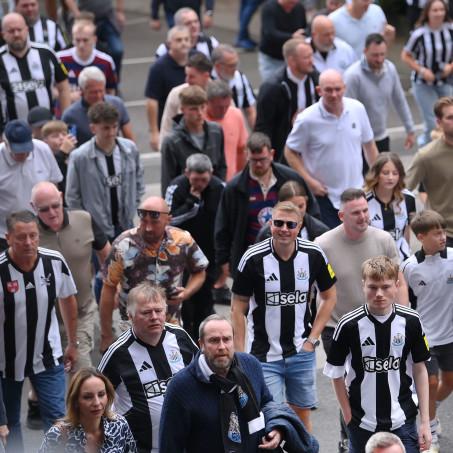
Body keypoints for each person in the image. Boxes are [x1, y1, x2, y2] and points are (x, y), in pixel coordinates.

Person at [231, 201, 337, 431]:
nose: (284, 229)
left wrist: (313, 339)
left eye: (290, 224)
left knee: (302, 415)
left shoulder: (313, 254)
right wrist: (240, 355)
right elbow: (237, 307)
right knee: (272, 418)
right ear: (270, 224)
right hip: (263, 355)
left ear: (299, 227)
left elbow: (329, 296)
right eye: (278, 223)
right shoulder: (253, 258)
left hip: (301, 352)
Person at [159, 314, 320, 453]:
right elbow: (170, 445)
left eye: (226, 339)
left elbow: (266, 403)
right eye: (214, 341)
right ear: (201, 344)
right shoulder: (181, 387)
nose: (221, 347)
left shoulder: (250, 365)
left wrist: (277, 428)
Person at [323, 256, 431, 453]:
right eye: (372, 287)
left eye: (386, 286)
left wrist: (425, 422)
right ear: (363, 285)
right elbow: (335, 373)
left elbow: (420, 369)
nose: (379, 294)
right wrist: (348, 415)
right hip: (361, 422)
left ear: (397, 285)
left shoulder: (411, 321)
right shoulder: (348, 325)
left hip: (403, 419)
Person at [0, 210, 78, 453]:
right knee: (9, 423)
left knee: (58, 420)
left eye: (33, 235)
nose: (28, 243)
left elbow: (68, 298)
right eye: (21, 237)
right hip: (6, 362)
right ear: (8, 238)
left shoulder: (54, 261)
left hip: (47, 354)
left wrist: (72, 342)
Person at [98, 282, 198, 452]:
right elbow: (96, 396)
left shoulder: (180, 337)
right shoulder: (117, 353)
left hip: (186, 445)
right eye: (146, 312)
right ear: (130, 316)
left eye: (158, 311)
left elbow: (204, 375)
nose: (154, 317)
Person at [99, 196, 208, 351]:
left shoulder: (182, 240)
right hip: (132, 326)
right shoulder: (123, 245)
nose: (148, 228)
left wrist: (187, 292)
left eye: (154, 222)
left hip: (170, 323)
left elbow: (200, 271)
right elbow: (108, 288)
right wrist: (106, 334)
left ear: (168, 219)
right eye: (144, 221)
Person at [214, 132, 320, 284]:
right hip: (249, 258)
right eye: (253, 160)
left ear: (271, 154)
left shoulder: (290, 179)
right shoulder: (235, 188)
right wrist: (223, 261)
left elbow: (311, 214)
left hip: (289, 255)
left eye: (262, 159)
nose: (258, 164)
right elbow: (222, 227)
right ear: (246, 156)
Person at [31, 181, 111, 371]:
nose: (51, 213)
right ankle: (36, 400)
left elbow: (108, 256)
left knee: (82, 372)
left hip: (82, 312)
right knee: (46, 383)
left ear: (61, 197)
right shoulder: (29, 233)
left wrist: (109, 288)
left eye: (55, 206)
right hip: (44, 321)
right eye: (44, 209)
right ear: (33, 207)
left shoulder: (83, 219)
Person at [285, 69, 378, 228]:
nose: (334, 94)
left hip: (358, 193)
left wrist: (376, 178)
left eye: (337, 89)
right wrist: (310, 182)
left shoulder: (357, 109)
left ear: (345, 88)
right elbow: (290, 151)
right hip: (325, 197)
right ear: (319, 91)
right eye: (328, 90)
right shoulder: (307, 119)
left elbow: (369, 144)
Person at [401, 210, 453, 453]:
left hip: (450, 336)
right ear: (420, 237)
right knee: (430, 382)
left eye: (443, 231)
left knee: (449, 382)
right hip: (425, 337)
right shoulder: (410, 268)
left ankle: (430, 410)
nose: (443, 237)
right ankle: (430, 432)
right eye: (437, 233)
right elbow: (406, 305)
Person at [165, 153, 224, 340]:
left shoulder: (220, 188)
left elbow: (226, 222)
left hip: (209, 254)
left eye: (204, 179)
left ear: (211, 173)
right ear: (186, 173)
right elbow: (168, 222)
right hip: (181, 255)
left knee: (205, 300)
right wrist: (191, 202)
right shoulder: (176, 187)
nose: (200, 184)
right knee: (185, 303)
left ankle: (205, 340)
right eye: (196, 179)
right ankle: (187, 340)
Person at [65, 101, 144, 241]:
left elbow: (139, 181)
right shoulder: (79, 157)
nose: (112, 132)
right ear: (93, 128)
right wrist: (87, 223)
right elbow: (72, 196)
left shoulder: (130, 149)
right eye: (106, 128)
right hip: (96, 230)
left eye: (115, 127)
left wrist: (133, 206)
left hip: (126, 224)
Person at [344, 33, 415, 153]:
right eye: (375, 55)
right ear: (365, 51)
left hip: (381, 136)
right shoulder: (353, 76)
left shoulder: (390, 69)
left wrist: (410, 129)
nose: (379, 59)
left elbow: (399, 100)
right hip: (358, 140)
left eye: (382, 54)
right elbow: (346, 112)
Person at [0, 13, 70, 132]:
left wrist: (64, 121)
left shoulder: (46, 53)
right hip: (13, 133)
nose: (16, 34)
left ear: (27, 30)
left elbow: (63, 87)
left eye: (19, 29)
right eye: (11, 31)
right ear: (3, 35)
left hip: (48, 130)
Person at [39, 368, 137, 452]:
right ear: (76, 400)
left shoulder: (119, 425)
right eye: (88, 397)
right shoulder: (57, 435)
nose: (97, 403)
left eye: (101, 394)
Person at [0, 119, 62, 250]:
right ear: (6, 143)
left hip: (42, 231)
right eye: (18, 151)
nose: (23, 154)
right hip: (6, 234)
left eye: (26, 149)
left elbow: (54, 185)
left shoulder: (42, 149)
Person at [255, 39, 319, 162]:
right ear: (291, 61)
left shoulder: (317, 80)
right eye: (306, 58)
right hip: (282, 152)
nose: (312, 61)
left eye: (312, 56)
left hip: (312, 150)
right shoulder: (272, 88)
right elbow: (263, 128)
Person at [401, 0, 453, 146]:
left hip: (445, 80)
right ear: (427, 13)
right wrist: (422, 70)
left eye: (441, 10)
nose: (438, 13)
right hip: (423, 83)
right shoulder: (419, 33)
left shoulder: (450, 30)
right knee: (432, 122)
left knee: (448, 119)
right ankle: (425, 149)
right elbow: (405, 55)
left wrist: (450, 66)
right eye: (435, 10)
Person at [160, 85, 226, 195]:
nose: (200, 113)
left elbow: (221, 166)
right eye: (193, 109)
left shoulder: (216, 131)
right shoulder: (172, 141)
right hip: (184, 201)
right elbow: (167, 180)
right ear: (182, 109)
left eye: (203, 107)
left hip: (213, 197)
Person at [406, 96, 453, 246]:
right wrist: (417, 223)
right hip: (444, 236)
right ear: (439, 123)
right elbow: (402, 191)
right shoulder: (426, 156)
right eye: (450, 117)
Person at [145, 25, 191, 151]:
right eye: (179, 40)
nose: (184, 43)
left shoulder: (195, 62)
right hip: (170, 124)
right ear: (169, 43)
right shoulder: (158, 68)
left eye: (187, 39)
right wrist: (154, 132)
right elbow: (151, 101)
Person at [364, 153, 416, 262]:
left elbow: (407, 230)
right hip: (373, 261)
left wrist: (408, 254)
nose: (390, 177)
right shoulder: (364, 200)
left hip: (401, 258)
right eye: (385, 173)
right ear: (376, 174)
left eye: (395, 173)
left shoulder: (408, 198)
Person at [62, 66, 133, 145]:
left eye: (101, 91)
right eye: (93, 92)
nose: (98, 96)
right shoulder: (71, 116)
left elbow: (129, 137)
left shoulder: (117, 104)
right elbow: (70, 144)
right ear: (81, 90)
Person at [159, 51, 212, 146]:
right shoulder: (176, 94)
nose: (187, 80)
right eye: (186, 75)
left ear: (206, 76)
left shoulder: (220, 95)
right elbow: (166, 129)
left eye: (192, 77)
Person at [57, 17, 118, 100]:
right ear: (72, 40)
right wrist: (69, 96)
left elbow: (111, 90)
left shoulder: (106, 62)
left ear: (94, 39)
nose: (81, 45)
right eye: (77, 40)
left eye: (85, 40)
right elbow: (51, 89)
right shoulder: (59, 59)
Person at [67, 0, 125, 80]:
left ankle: (114, 82)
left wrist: (119, 11)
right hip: (85, 17)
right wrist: (77, 14)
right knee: (83, 50)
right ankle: (80, 81)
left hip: (106, 18)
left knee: (117, 50)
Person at [255, 180, 329, 242]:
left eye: (301, 206)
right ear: (280, 204)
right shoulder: (266, 234)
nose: (297, 212)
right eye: (291, 207)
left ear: (306, 201)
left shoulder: (321, 231)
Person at [205, 80, 248, 181]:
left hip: (230, 182)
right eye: (219, 107)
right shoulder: (200, 119)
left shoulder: (236, 115)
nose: (223, 110)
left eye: (227, 106)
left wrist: (241, 178)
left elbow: (241, 150)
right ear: (208, 102)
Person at [258, 0, 307, 81]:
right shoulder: (269, 8)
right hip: (272, 58)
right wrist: (292, 36)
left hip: (292, 58)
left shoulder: (299, 8)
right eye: (290, 2)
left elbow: (303, 28)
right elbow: (270, 33)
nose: (293, 4)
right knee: (271, 85)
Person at [329, 0, 395, 59]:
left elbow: (381, 45)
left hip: (373, 69)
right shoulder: (333, 20)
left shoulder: (377, 11)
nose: (368, 3)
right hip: (346, 71)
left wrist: (388, 39)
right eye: (364, 0)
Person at [211, 44, 256, 129]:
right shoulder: (207, 80)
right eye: (231, 65)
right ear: (218, 66)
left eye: (236, 64)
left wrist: (256, 132)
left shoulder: (240, 77)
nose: (235, 68)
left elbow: (250, 111)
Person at [41, 120, 77, 197]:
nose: (61, 138)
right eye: (55, 136)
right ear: (45, 142)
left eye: (64, 134)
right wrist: (62, 153)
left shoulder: (75, 155)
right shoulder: (44, 160)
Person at [150, 1, 214, 30]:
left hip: (193, 12)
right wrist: (154, 17)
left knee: (195, 33)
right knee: (179, 36)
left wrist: (208, 12)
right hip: (173, 13)